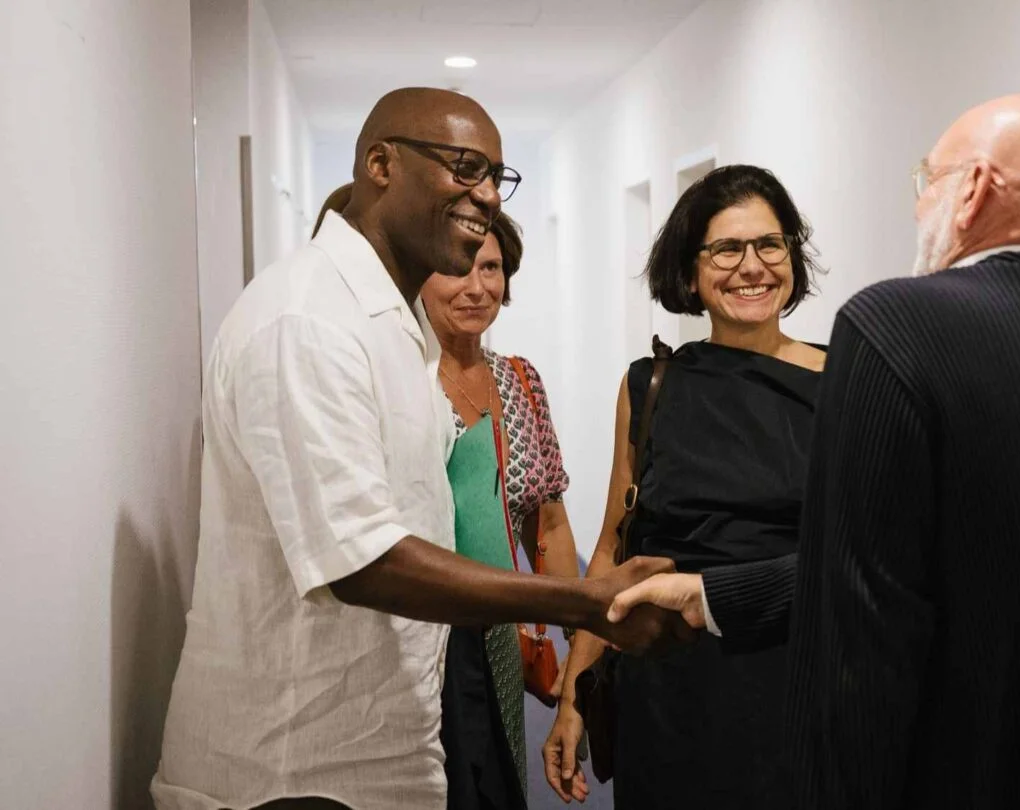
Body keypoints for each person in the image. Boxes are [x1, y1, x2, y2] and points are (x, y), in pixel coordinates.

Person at [609, 94, 1020, 809]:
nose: (919, 202)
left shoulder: (891, 325)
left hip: (933, 760)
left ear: (973, 191)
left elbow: (866, 600)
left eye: (928, 179)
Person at [152, 88, 681, 810]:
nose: (488, 195)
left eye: (498, 176)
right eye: (465, 167)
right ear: (380, 164)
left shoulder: (392, 327)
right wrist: (582, 600)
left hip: (377, 747)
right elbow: (363, 560)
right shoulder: (309, 321)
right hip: (290, 770)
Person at [542, 165, 827, 808]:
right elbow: (615, 546)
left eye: (769, 245)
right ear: (691, 270)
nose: (752, 267)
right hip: (670, 694)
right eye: (727, 248)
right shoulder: (651, 385)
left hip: (800, 684)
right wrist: (573, 695)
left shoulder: (846, 381)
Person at [422, 209, 582, 809]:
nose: (476, 285)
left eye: (490, 266)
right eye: (455, 266)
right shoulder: (400, 379)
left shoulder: (519, 380)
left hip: (500, 640)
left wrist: (578, 657)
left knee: (497, 788)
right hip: (418, 642)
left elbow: (551, 522)